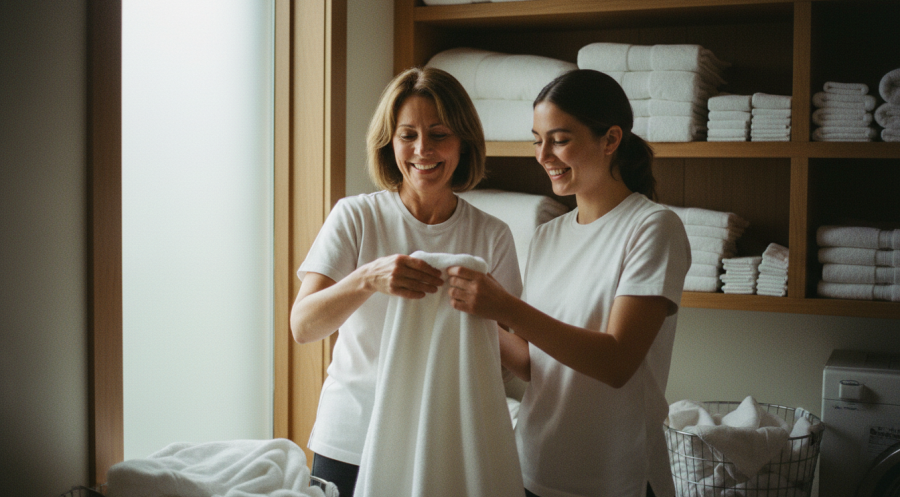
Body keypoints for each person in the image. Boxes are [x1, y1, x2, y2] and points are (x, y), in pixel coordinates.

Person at [446, 69, 691, 497]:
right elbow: (534, 364)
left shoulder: (653, 227)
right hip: (534, 468)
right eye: (536, 140)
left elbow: (616, 363)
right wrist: (467, 310)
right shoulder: (547, 235)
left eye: (559, 140)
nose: (544, 155)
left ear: (610, 139)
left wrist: (505, 307)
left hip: (616, 478)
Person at [289, 66, 522, 497]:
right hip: (352, 438)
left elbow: (510, 362)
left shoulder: (492, 236)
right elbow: (303, 326)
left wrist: (481, 310)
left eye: (439, 134)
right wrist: (367, 278)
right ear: (390, 142)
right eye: (407, 135)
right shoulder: (356, 216)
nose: (422, 150)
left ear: (463, 141)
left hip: (444, 439)